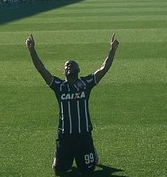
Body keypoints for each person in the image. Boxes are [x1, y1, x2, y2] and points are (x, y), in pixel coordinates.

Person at [26, 33, 120, 176]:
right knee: (59, 171)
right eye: (66, 65)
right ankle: (61, 157)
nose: (68, 66)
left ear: (78, 70)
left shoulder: (86, 83)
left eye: (71, 64)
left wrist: (112, 49)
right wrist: (32, 50)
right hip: (65, 136)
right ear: (64, 72)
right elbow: (42, 69)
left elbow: (104, 68)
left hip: (84, 135)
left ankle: (92, 154)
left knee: (87, 171)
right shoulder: (59, 86)